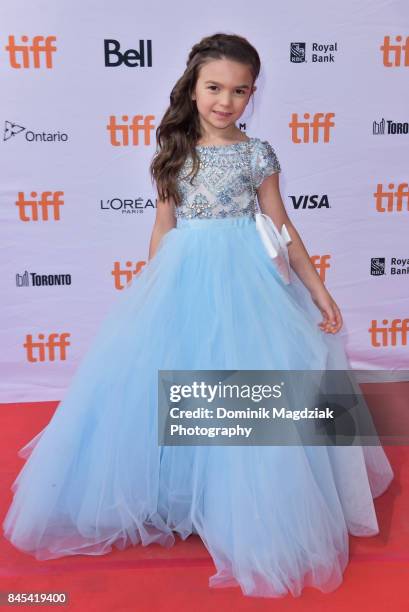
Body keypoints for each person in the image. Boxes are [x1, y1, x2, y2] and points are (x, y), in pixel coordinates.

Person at [2, 32, 393, 599]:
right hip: (186, 275)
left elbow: (281, 228)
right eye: (214, 87)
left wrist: (319, 291)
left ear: (253, 95)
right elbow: (163, 227)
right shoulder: (172, 149)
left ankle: (253, 510)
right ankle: (178, 495)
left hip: (250, 281)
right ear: (194, 86)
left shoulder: (258, 153)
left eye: (239, 91)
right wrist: (151, 293)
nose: (224, 101)